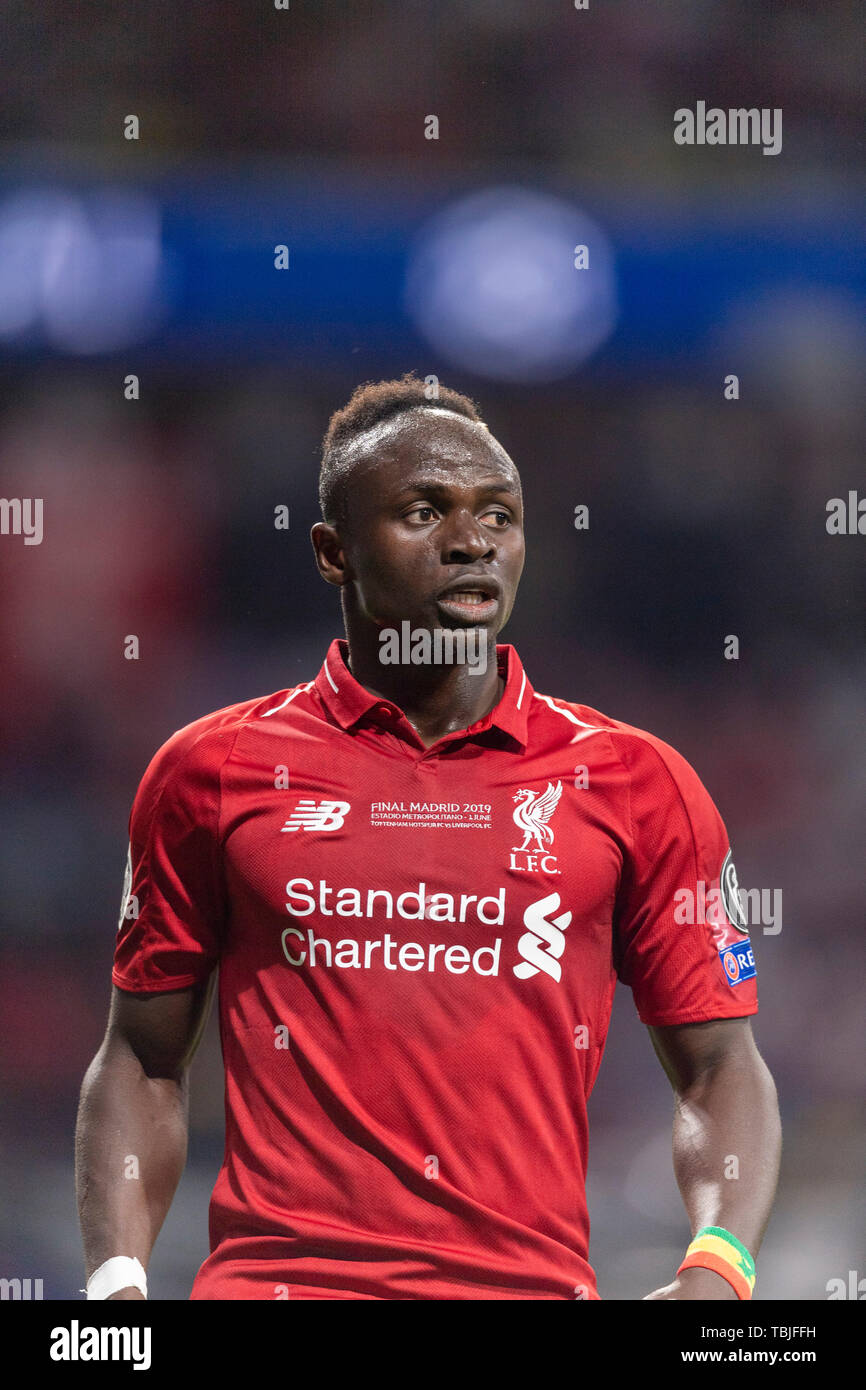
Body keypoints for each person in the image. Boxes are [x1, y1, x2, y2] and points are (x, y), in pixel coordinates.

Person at [76, 372, 781, 1301]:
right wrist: (117, 1284)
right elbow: (140, 1056)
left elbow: (721, 1063)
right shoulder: (212, 769)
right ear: (333, 552)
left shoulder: (637, 784)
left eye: (499, 516)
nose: (471, 543)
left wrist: (717, 1267)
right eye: (424, 511)